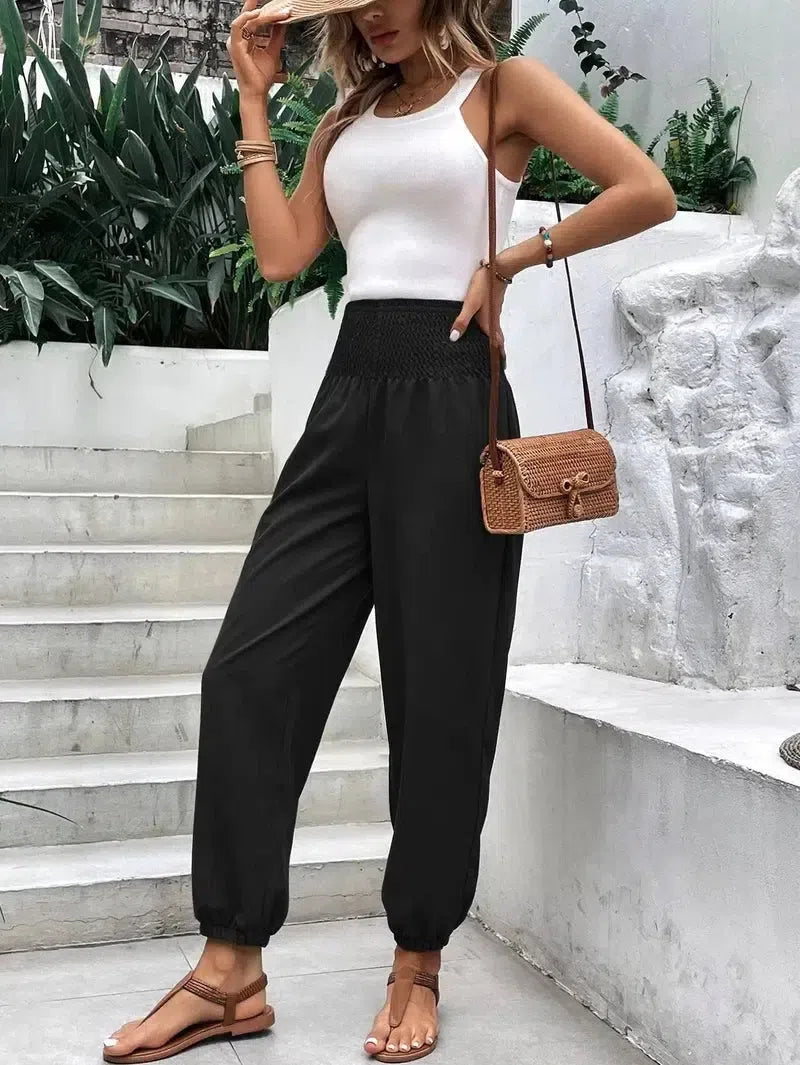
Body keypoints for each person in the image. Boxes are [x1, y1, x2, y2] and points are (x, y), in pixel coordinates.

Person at [101, 0, 676, 1061]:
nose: (374, 14)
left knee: (438, 692)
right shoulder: (343, 122)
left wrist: (511, 260)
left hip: (451, 397)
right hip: (348, 397)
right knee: (249, 671)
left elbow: (646, 188)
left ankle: (418, 961)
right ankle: (231, 969)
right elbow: (283, 255)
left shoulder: (501, 91)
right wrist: (254, 99)